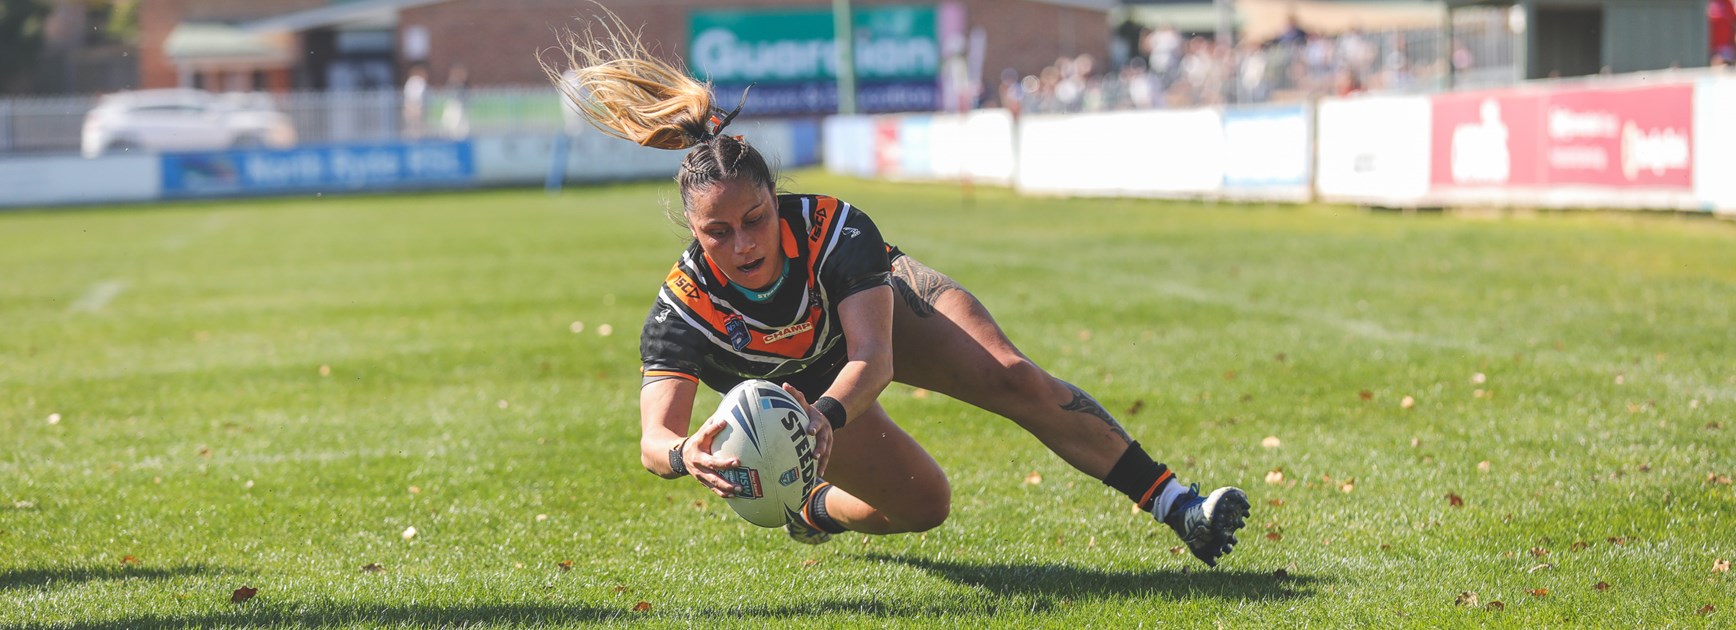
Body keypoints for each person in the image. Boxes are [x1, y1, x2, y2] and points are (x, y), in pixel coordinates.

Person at [541, 15, 1250, 567]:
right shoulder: (683, 307)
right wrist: (683, 454)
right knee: (926, 505)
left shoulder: (832, 230)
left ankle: (1179, 505)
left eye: (755, 219)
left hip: (867, 326)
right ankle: (812, 512)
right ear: (692, 230)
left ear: (775, 200)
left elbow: (873, 357)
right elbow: (652, 438)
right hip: (803, 387)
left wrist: (825, 415)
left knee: (1012, 375)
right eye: (718, 232)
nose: (744, 244)